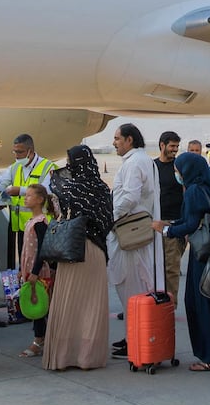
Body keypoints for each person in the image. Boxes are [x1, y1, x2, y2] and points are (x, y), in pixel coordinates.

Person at [154, 152, 210, 371]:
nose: (177, 174)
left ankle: (209, 356)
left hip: (200, 255)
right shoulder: (209, 188)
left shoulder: (193, 191)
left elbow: (190, 224)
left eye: (178, 170)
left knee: (199, 304)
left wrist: (166, 230)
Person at [45, 145, 113, 371]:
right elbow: (107, 221)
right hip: (96, 251)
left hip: (72, 249)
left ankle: (64, 357)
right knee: (91, 305)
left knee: (68, 303)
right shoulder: (102, 189)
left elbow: (55, 188)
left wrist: (57, 174)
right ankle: (88, 357)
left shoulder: (69, 188)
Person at [108, 123, 160, 358]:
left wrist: (112, 217)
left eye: (117, 138)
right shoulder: (142, 160)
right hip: (136, 230)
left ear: (129, 140)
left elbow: (130, 196)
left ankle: (136, 340)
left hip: (129, 231)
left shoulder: (134, 163)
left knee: (131, 286)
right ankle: (133, 335)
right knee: (135, 285)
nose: (114, 143)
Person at [0, 134, 54, 281]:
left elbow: (47, 190)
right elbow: (0, 183)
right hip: (21, 226)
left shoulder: (47, 167)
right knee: (25, 262)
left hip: (41, 225)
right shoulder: (15, 167)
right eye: (14, 152)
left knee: (41, 263)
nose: (16, 156)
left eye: (20, 152)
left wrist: (20, 191)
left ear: (30, 151)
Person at [18, 184, 56, 358]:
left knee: (38, 304)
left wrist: (34, 271)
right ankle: (43, 338)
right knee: (35, 303)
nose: (25, 198)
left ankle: (38, 340)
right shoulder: (31, 221)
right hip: (30, 270)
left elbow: (42, 249)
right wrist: (22, 270)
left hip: (38, 272)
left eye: (29, 195)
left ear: (40, 199)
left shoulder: (40, 223)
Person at [154, 131, 185, 301]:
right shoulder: (152, 166)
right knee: (152, 269)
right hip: (154, 224)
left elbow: (186, 193)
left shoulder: (179, 167)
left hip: (173, 224)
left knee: (171, 270)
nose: (175, 149)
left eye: (177, 146)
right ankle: (154, 305)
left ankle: (170, 307)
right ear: (162, 145)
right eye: (172, 146)